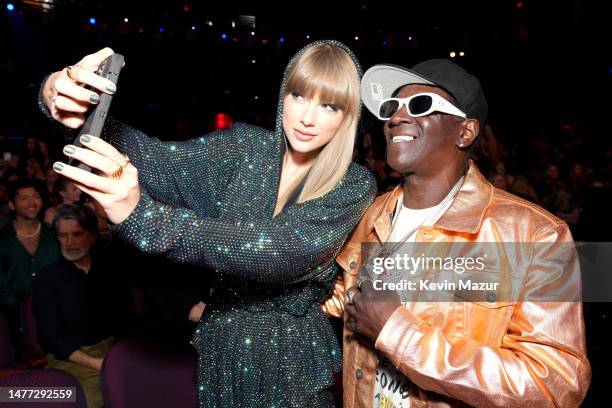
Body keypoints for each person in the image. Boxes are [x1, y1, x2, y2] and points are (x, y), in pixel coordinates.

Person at [39, 41, 377, 406]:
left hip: (291, 365)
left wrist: (145, 219)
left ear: (348, 116)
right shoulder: (244, 147)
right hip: (221, 353)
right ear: (284, 94)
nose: (308, 117)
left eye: (329, 105)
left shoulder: (353, 184)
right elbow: (158, 163)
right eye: (299, 96)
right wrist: (67, 103)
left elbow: (279, 250)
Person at [322, 59, 591, 407]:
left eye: (420, 105)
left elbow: (556, 384)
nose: (396, 118)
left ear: (465, 132)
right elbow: (340, 305)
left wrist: (399, 334)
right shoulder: (371, 214)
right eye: (391, 107)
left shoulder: (534, 235)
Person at [33, 204, 134, 408]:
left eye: (77, 234)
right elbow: (50, 337)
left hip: (113, 349)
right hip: (72, 357)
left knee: (146, 388)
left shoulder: (109, 270)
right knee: (93, 398)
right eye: (63, 236)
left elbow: (127, 319)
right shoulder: (47, 278)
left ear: (92, 236)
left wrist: (120, 356)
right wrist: (98, 364)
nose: (70, 243)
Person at [0, 180, 60, 341]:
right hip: (15, 326)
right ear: (12, 205)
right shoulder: (3, 241)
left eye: (36, 196)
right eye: (24, 198)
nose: (31, 203)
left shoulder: (56, 235)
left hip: (59, 318)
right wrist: (24, 313)